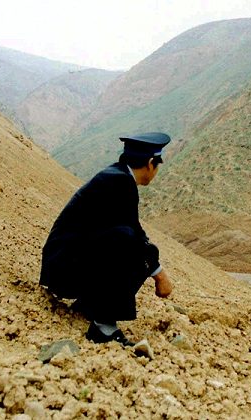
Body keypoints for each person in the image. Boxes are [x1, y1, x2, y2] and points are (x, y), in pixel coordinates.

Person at [40, 133, 173, 346]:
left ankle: (89, 304)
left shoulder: (118, 176)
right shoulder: (120, 181)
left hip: (64, 262)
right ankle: (104, 326)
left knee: (140, 247)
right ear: (150, 163)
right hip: (63, 269)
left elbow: (135, 230)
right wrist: (160, 276)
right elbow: (131, 236)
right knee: (129, 244)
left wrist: (155, 265)